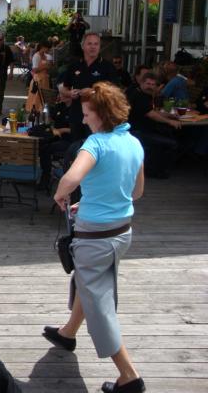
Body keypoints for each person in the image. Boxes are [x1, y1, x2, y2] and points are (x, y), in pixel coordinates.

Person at [46, 82, 145, 393]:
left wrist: (61, 194)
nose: (84, 118)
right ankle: (67, 333)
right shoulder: (134, 143)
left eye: (88, 113)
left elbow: (71, 178)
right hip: (122, 233)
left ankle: (129, 375)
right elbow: (136, 192)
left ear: (102, 114)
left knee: (100, 306)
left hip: (95, 239)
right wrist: (90, 200)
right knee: (91, 284)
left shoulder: (96, 143)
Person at [58, 32, 119, 140]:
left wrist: (93, 92)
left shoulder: (107, 67)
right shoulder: (75, 65)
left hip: (98, 116)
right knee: (77, 146)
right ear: (83, 46)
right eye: (89, 44)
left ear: (99, 46)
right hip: (77, 115)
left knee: (94, 147)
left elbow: (114, 91)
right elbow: (63, 87)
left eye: (96, 44)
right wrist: (69, 93)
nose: (93, 47)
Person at [126, 71, 180, 178]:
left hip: (143, 130)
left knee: (167, 135)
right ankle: (156, 172)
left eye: (152, 84)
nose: (150, 87)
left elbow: (151, 111)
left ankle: (154, 168)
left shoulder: (145, 94)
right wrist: (170, 121)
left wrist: (168, 115)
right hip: (136, 132)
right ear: (141, 83)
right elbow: (151, 114)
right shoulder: (138, 95)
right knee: (171, 143)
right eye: (148, 84)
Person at [25, 40, 52, 113]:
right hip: (38, 80)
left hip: (45, 79)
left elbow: (49, 66)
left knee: (43, 97)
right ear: (43, 47)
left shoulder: (46, 56)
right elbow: (34, 70)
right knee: (36, 97)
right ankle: (35, 112)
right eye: (48, 48)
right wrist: (45, 66)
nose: (48, 50)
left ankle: (42, 112)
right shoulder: (36, 56)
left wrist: (48, 66)